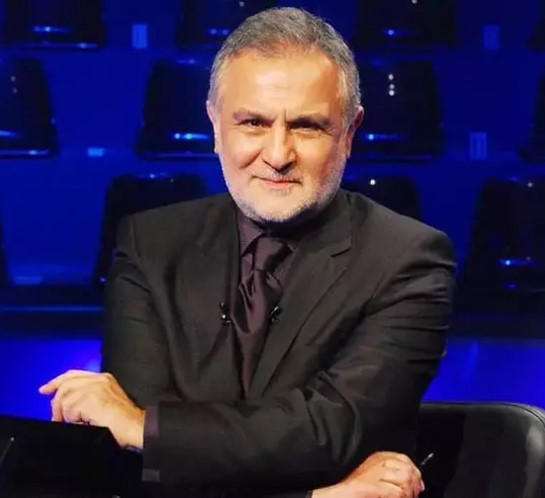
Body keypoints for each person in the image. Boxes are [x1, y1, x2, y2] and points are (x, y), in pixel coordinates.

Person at [39, 7, 455, 497]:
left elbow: (328, 431)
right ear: (215, 126)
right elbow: (142, 475)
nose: (278, 155)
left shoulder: (408, 260)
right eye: (254, 123)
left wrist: (143, 428)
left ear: (350, 132)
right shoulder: (149, 245)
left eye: (307, 126)